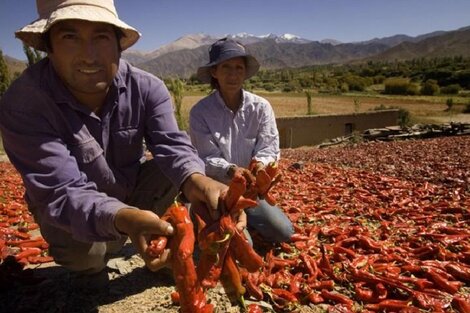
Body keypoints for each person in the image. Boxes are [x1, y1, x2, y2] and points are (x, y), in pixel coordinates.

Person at [0, 0, 232, 281]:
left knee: (179, 166)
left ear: (119, 44)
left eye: (101, 37)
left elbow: (172, 146)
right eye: (70, 37)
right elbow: (60, 189)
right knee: (88, 260)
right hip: (71, 207)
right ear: (48, 47)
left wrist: (197, 180)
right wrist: (122, 218)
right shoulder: (24, 103)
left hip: (131, 187)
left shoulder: (147, 88)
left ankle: (145, 229)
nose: (89, 56)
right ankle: (111, 241)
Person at [189, 38, 294, 245]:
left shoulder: (260, 107)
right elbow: (205, 157)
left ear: (245, 73)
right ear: (214, 72)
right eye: (226, 67)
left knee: (285, 233)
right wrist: (231, 170)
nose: (233, 74)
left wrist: (259, 168)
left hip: (251, 190)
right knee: (242, 245)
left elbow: (269, 147)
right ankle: (202, 213)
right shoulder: (200, 112)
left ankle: (247, 217)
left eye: (239, 67)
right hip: (218, 190)